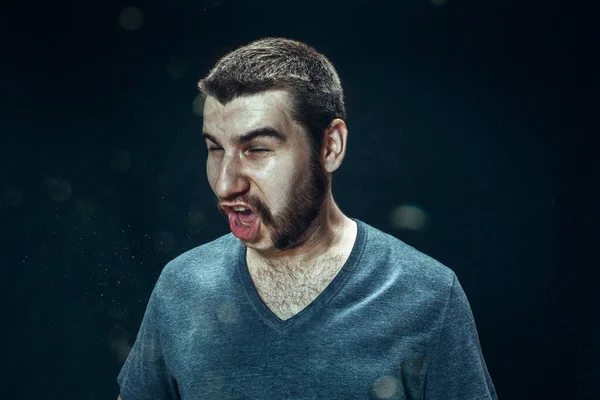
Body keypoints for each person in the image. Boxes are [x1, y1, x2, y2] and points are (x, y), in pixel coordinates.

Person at [116, 37, 497, 399]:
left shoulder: (427, 296)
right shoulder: (182, 287)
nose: (225, 183)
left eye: (258, 149)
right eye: (215, 149)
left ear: (331, 146)